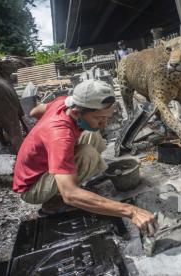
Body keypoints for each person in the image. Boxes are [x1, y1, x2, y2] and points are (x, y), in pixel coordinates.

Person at [12, 79, 157, 236]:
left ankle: (68, 182)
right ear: (75, 112)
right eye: (99, 118)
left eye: (106, 118)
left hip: (46, 164)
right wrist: (131, 211)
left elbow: (35, 112)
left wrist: (41, 137)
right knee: (88, 154)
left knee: (92, 135)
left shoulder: (63, 103)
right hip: (32, 187)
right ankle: (53, 202)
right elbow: (70, 194)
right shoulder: (59, 136)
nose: (104, 124)